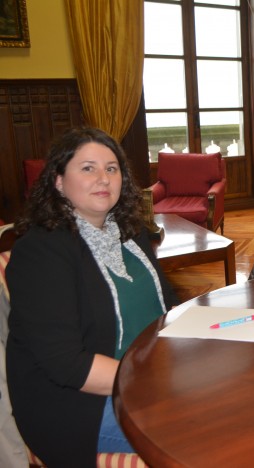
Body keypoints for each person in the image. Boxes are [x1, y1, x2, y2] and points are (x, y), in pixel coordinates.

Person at [6, 127, 178, 466]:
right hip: (74, 406)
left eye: (112, 168)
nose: (103, 178)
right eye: (88, 168)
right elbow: (67, 364)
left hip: (149, 378)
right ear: (58, 181)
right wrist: (153, 384)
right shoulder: (40, 251)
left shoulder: (133, 234)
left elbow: (167, 308)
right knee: (205, 430)